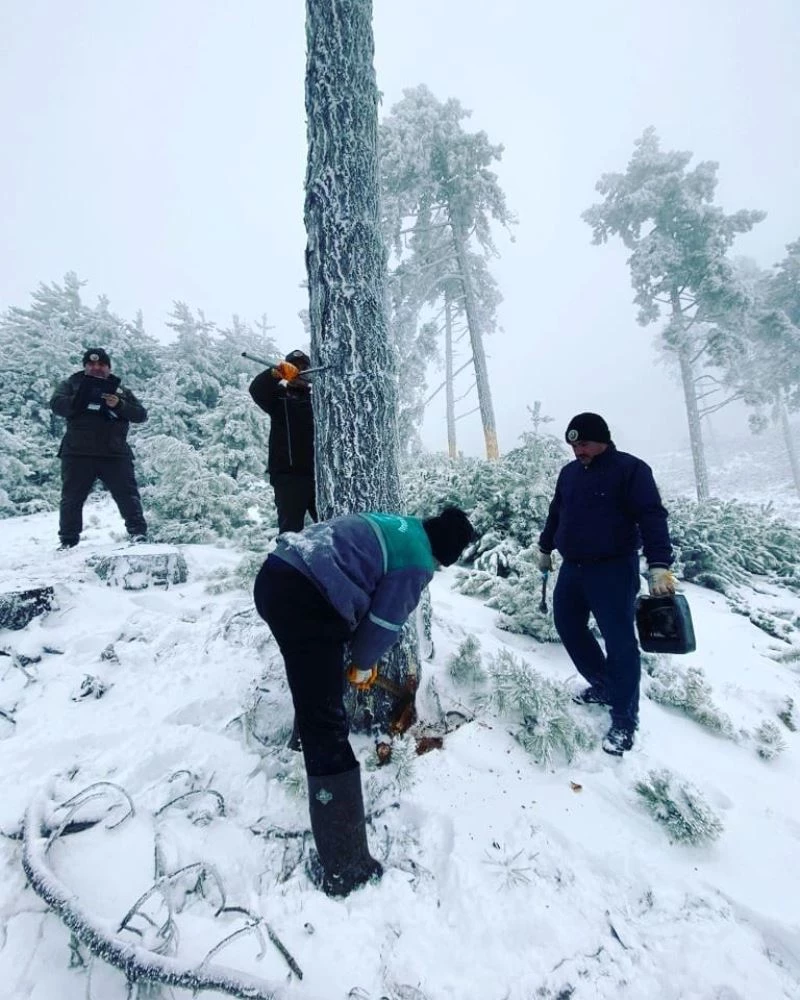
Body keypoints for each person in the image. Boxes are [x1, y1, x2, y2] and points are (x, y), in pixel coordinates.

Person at [253, 505, 475, 896]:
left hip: (276, 575)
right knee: (327, 726)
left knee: (314, 688)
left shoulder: (400, 525)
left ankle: (305, 736)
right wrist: (362, 662)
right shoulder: (419, 561)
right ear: (443, 555)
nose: (435, 572)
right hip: (306, 600)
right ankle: (345, 866)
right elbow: (384, 622)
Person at [537, 412, 675, 756]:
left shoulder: (630, 470)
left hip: (613, 569)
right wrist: (545, 546)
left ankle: (625, 720)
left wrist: (659, 565)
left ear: (602, 440)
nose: (577, 451)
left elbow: (652, 516)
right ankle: (604, 685)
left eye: (583, 444)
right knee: (567, 625)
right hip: (573, 568)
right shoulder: (569, 473)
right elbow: (557, 511)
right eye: (573, 445)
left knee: (620, 642)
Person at [50, 348, 148, 549]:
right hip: (77, 453)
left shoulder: (120, 390)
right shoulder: (70, 385)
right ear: (85, 366)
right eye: (91, 364)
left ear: (108, 367)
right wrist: (79, 400)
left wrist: (119, 405)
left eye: (101, 364)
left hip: (114, 452)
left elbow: (140, 415)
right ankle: (68, 541)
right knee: (72, 499)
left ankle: (138, 533)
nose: (96, 368)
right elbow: (57, 405)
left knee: (128, 495)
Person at [248, 349, 317, 534]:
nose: (299, 372)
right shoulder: (278, 398)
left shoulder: (319, 402)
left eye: (304, 368)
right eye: (294, 367)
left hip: (320, 478)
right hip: (288, 479)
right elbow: (257, 389)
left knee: (331, 529)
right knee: (289, 534)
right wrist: (275, 373)